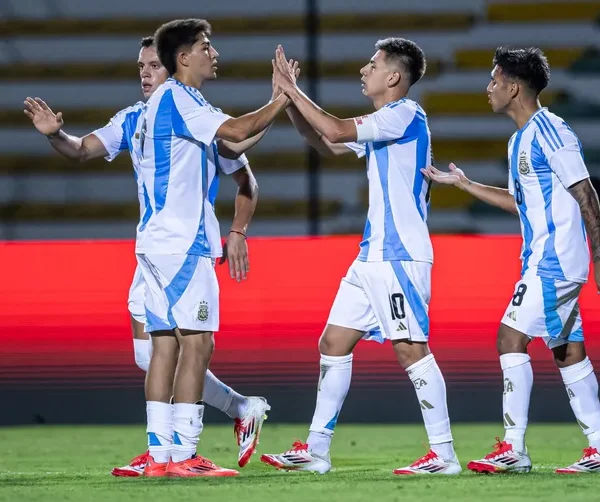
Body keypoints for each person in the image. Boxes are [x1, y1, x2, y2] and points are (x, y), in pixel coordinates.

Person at [23, 34, 272, 476]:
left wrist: (237, 230)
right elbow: (80, 149)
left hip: (163, 246)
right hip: (170, 248)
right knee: (177, 349)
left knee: (164, 351)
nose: (144, 72)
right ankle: (185, 445)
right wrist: (56, 134)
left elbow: (244, 175)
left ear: (172, 65)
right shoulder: (138, 117)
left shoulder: (196, 114)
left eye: (152, 64)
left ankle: (167, 451)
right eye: (140, 65)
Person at [259, 39, 460, 475]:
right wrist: (286, 100)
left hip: (398, 256)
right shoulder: (385, 122)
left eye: (373, 64)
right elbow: (324, 144)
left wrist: (294, 91)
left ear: (394, 77)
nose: (364, 70)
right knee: (333, 343)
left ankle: (444, 455)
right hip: (372, 255)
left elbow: (332, 129)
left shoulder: (404, 114)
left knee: (412, 351)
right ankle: (316, 450)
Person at [423, 46, 600, 474]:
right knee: (567, 351)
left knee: (509, 338)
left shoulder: (551, 129)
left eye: (494, 80)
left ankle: (514, 448)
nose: (489, 88)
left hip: (555, 261)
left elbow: (587, 194)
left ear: (514, 86)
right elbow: (517, 202)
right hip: (542, 259)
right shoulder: (518, 140)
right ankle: (598, 446)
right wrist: (465, 184)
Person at [135, 18, 292, 477]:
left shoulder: (177, 102)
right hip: (183, 243)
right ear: (183, 58)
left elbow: (235, 145)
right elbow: (239, 132)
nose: (214, 53)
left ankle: (160, 457)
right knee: (198, 344)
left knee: (164, 345)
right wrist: (283, 97)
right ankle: (185, 455)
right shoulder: (178, 98)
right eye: (206, 46)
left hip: (155, 242)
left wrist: (274, 105)